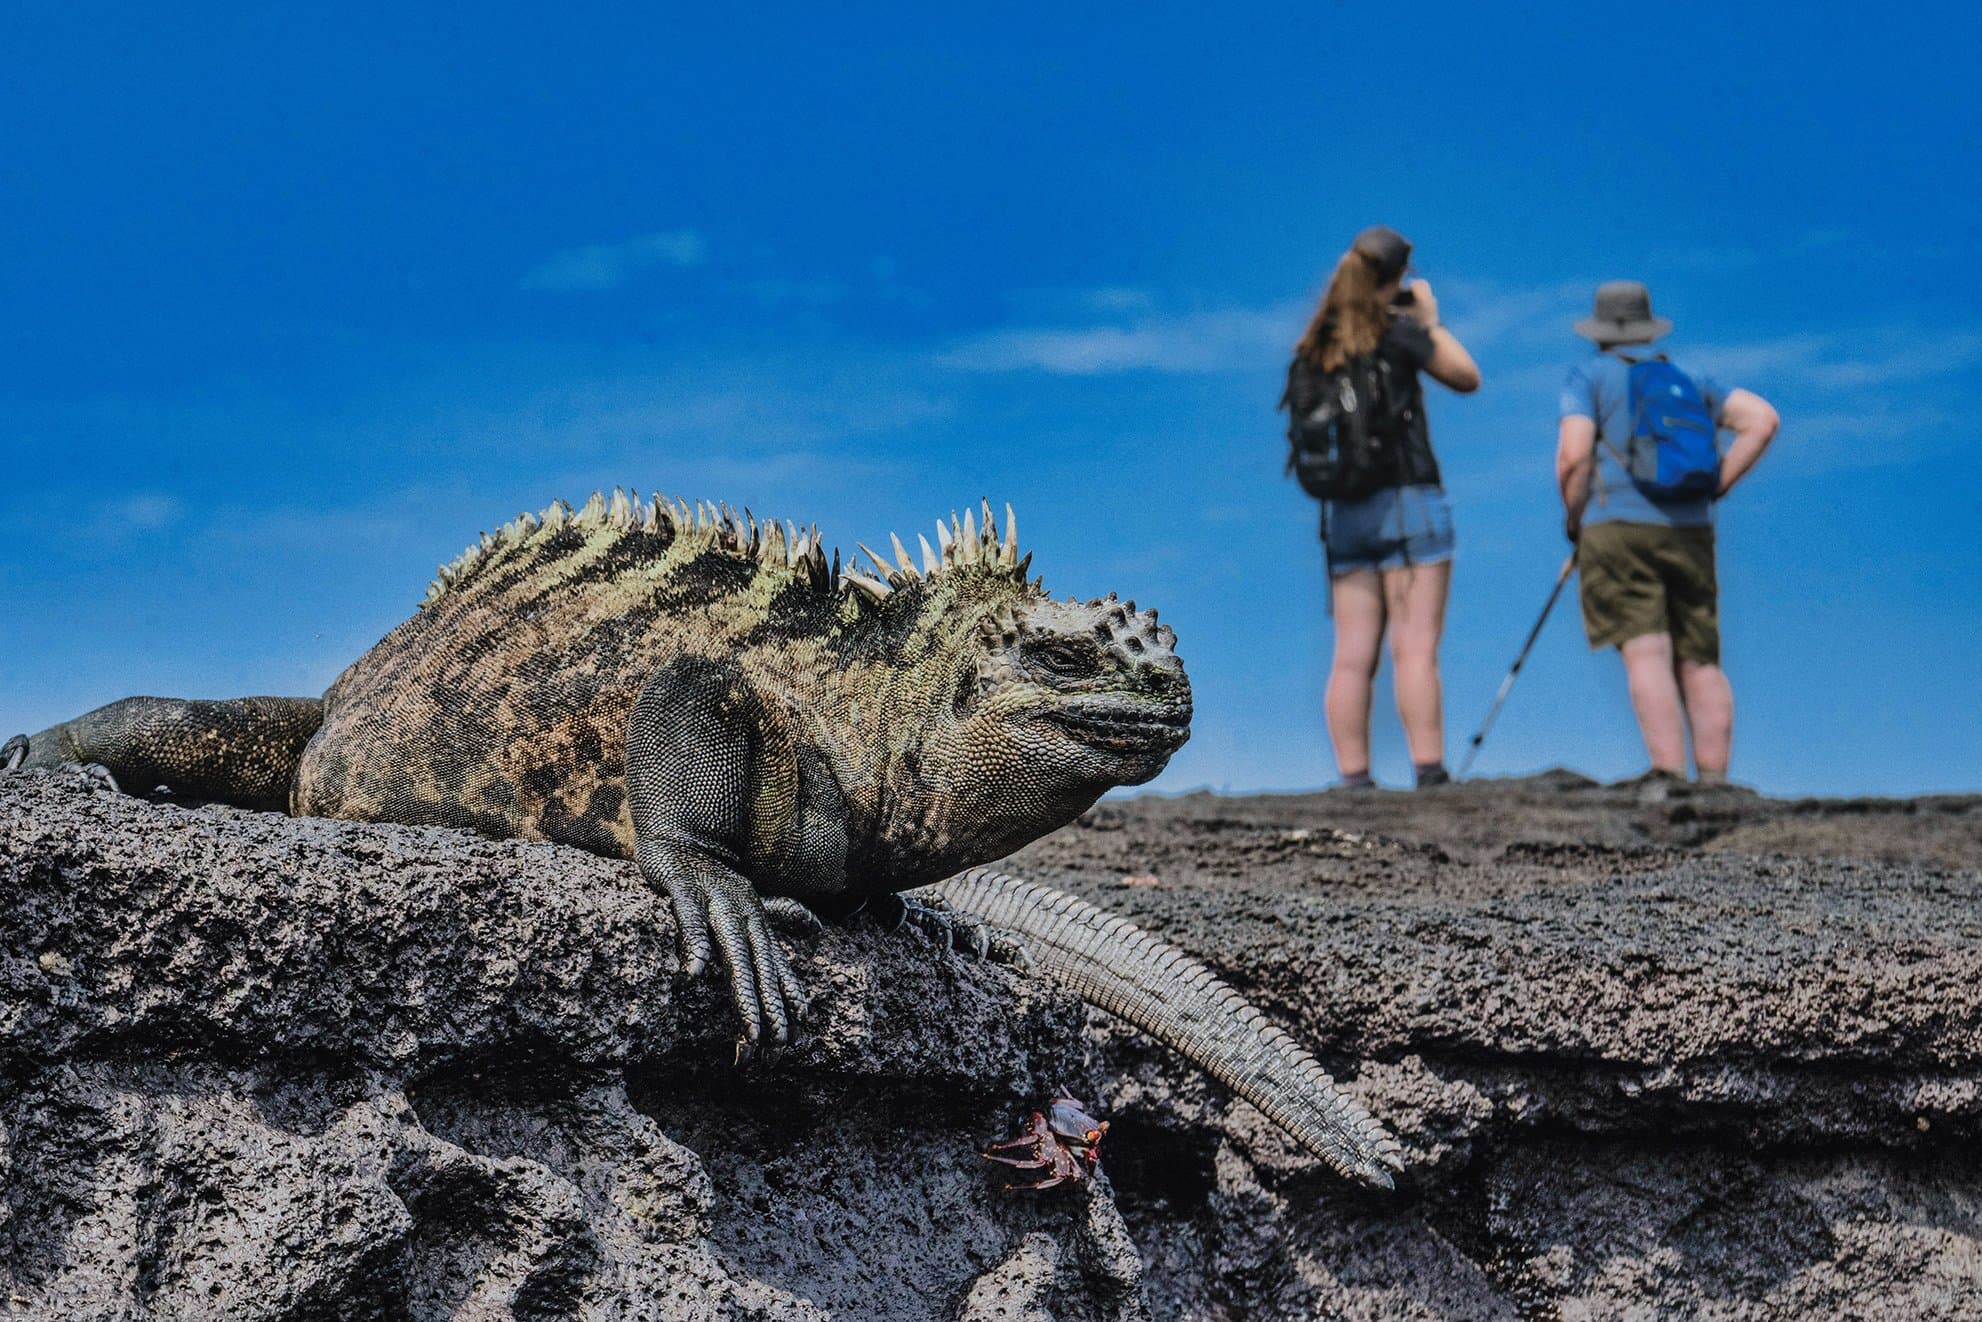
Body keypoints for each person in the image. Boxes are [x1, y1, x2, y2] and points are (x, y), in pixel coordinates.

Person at [1556, 280, 1780, 784]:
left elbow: (1573, 457)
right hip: (1691, 527)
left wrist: (1575, 522)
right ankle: (1716, 784)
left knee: (1645, 648)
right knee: (1700, 658)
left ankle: (1670, 775)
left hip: (1616, 526)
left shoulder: (1588, 376)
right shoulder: (1689, 378)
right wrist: (1717, 486)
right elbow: (1762, 420)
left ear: (1598, 333)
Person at [1281, 225, 1481, 789]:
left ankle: (1355, 778)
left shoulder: (1314, 348)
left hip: (1344, 517)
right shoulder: (1396, 335)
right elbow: (1466, 377)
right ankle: (1429, 771)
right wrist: (1429, 322)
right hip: (1409, 503)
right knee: (1414, 650)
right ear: (1394, 279)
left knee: (1351, 657)